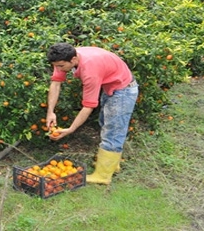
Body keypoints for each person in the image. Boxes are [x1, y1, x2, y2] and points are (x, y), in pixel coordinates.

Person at [45, 42, 138, 185]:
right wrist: (50, 112)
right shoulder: (64, 58)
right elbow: (56, 83)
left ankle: (103, 176)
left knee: (113, 130)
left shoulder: (90, 71)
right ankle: (112, 164)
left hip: (123, 89)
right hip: (111, 85)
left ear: (74, 60)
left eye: (61, 66)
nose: (58, 69)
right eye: (56, 66)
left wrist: (71, 129)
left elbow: (88, 107)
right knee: (105, 123)